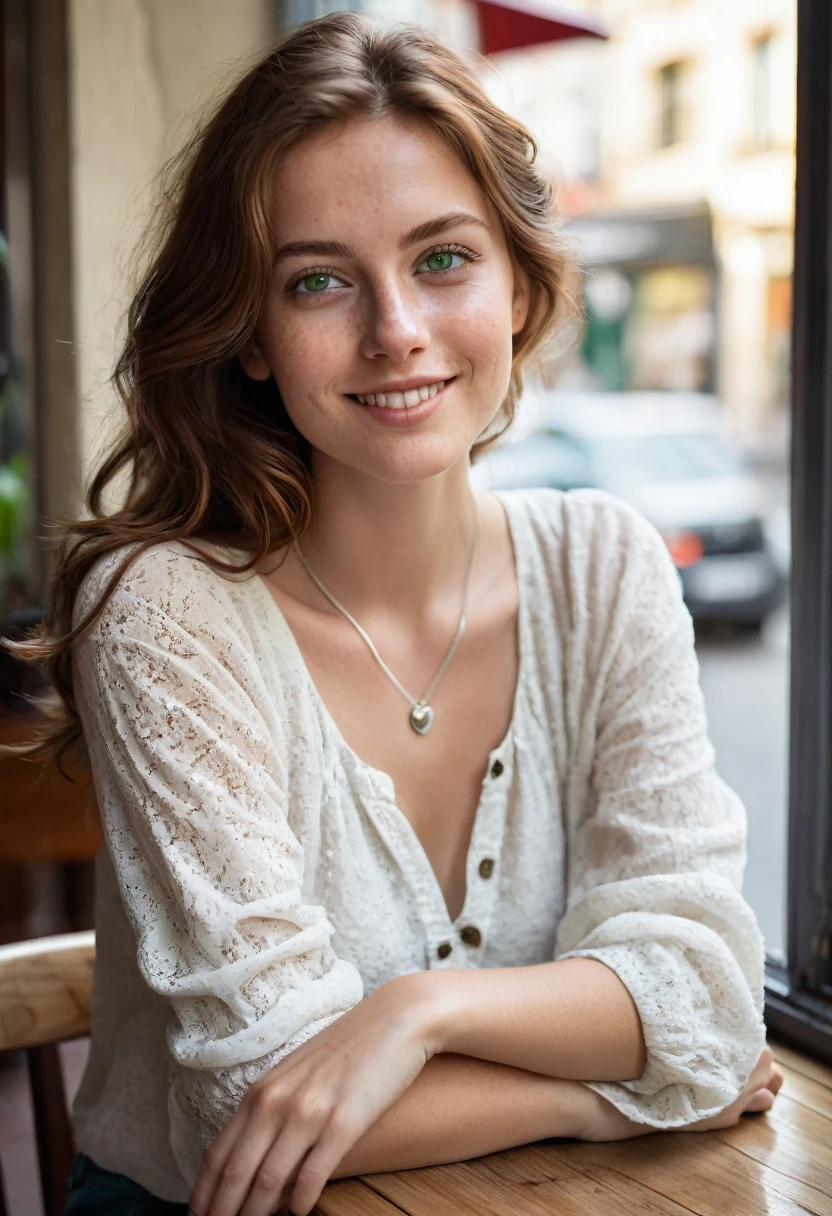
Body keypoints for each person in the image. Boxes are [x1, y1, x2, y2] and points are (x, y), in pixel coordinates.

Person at [6, 12, 781, 1216]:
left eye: (442, 258)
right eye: (318, 280)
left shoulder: (606, 564)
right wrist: (614, 1085)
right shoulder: (161, 612)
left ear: (520, 283)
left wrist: (414, 1014)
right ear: (250, 335)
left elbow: (708, 987)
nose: (396, 331)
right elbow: (254, 1097)